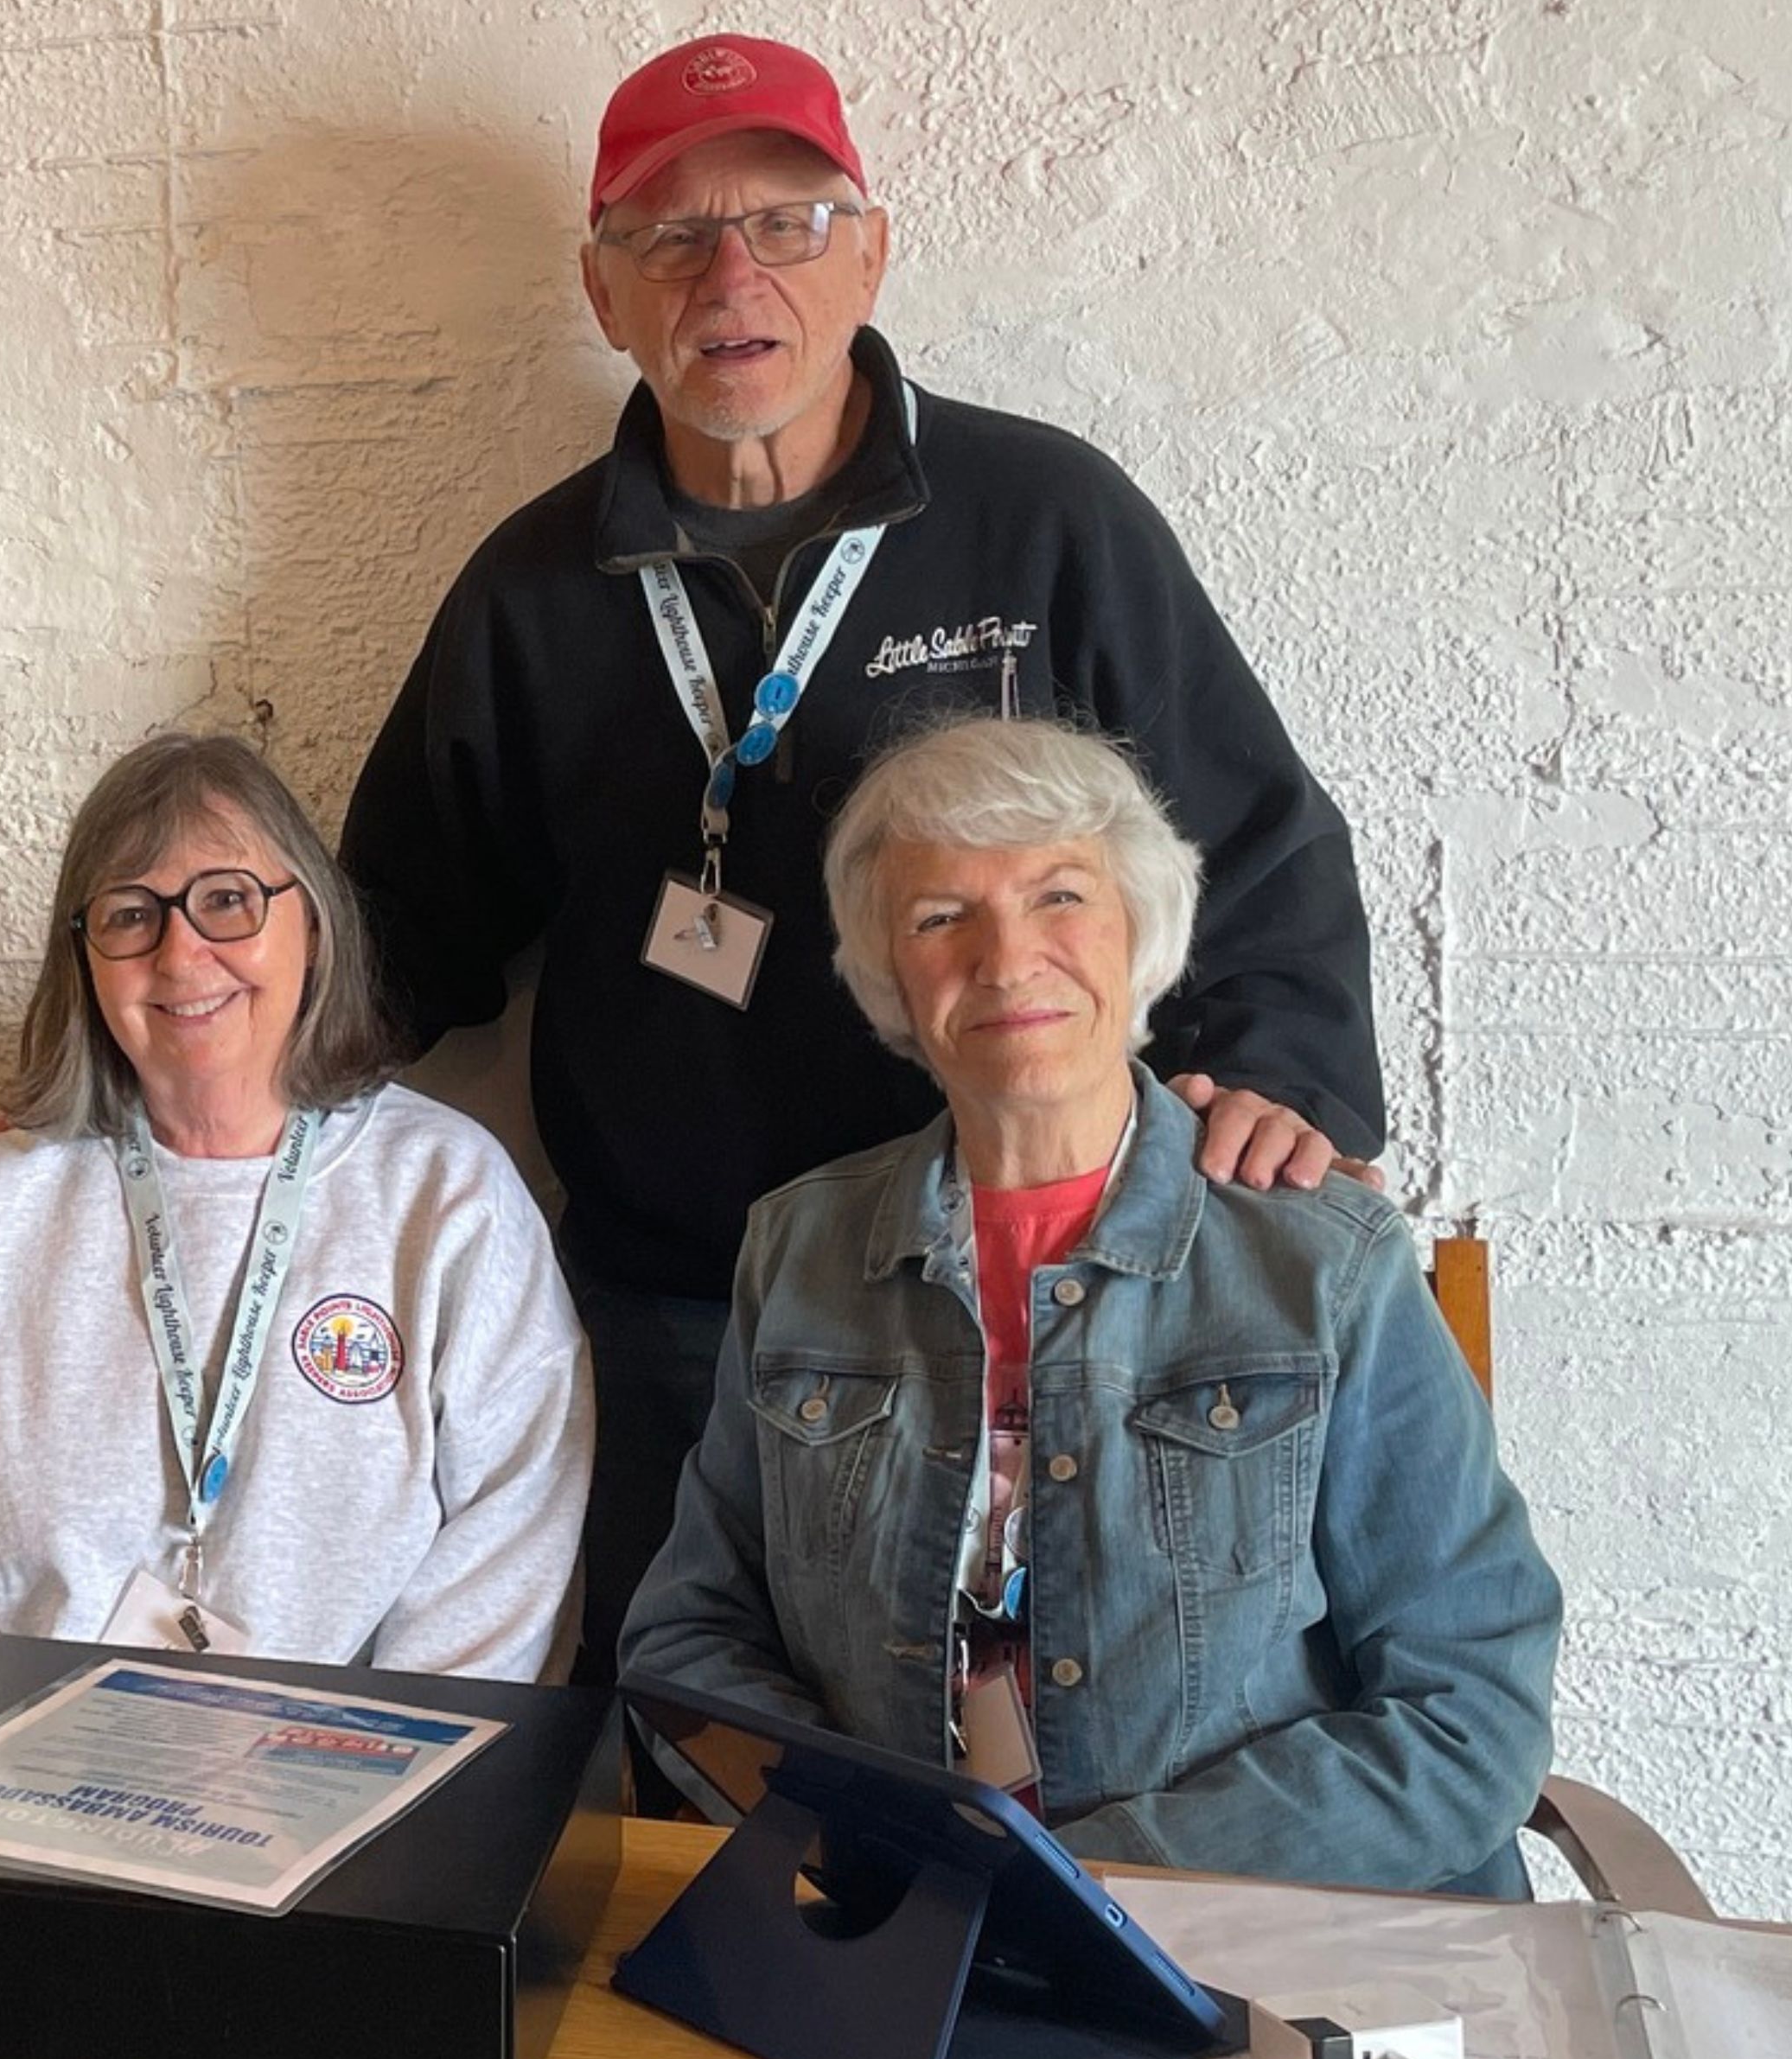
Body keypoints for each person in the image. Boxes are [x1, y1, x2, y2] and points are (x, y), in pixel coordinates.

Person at [337, 32, 1387, 1711]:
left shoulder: (1046, 516)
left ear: (872, 251)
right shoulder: (529, 587)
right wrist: (178, 1082)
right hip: (681, 1317)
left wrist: (1285, 1064)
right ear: (602, 292)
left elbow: (1247, 829)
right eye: (669, 237)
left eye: (787, 222)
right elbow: (396, 923)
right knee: (699, 1760)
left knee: (1057, 1749)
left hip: (1024, 1300)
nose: (730, 275)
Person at [623, 718, 1558, 1891]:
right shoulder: (797, 1248)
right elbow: (692, 1636)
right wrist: (878, 1852)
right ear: (888, 974)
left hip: (1270, 1953)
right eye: (939, 916)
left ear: (1142, 934)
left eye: (1060, 895)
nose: (1007, 958)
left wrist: (1085, 1889)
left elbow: (1471, 1709)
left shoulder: (1326, 1262)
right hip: (905, 1942)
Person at [0, 733, 590, 1775]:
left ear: (313, 919)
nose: (179, 956)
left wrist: (336, 1790)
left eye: (226, 900)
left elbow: (508, 1554)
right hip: (16, 1818)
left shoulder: (448, 1200)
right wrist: (19, 1788)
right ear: (83, 959)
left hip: (352, 1830)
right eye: (130, 915)